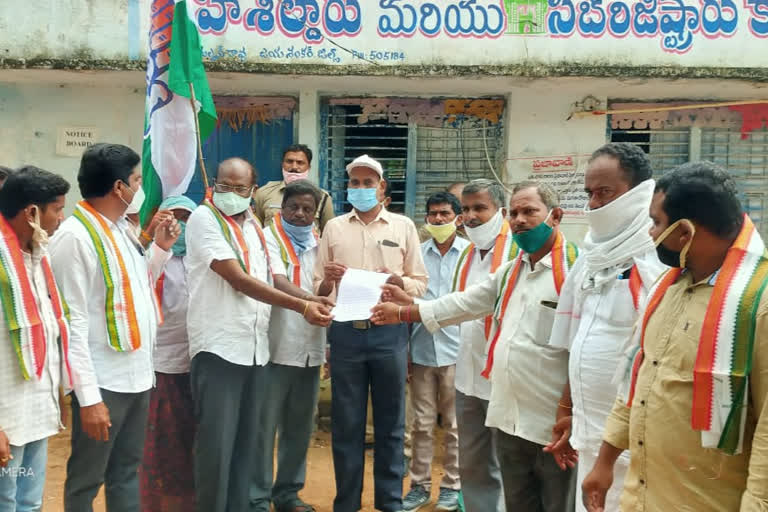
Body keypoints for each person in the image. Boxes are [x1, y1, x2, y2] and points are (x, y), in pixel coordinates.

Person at [374, 181, 580, 512]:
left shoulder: (572, 270)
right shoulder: (509, 269)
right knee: (509, 487)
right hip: (499, 395)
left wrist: (569, 408)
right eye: (516, 213)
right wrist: (404, 309)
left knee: (555, 496)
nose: (520, 220)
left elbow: (580, 348)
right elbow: (461, 304)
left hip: (549, 411)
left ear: (555, 216)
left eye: (529, 212)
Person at [582, 161, 768, 511]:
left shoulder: (758, 302)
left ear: (685, 232)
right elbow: (636, 382)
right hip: (642, 495)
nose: (650, 233)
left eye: (656, 222)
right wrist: (604, 461)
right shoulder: (667, 289)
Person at [186, 158, 332, 512]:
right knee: (217, 447)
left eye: (239, 188)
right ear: (214, 184)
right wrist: (302, 309)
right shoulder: (205, 220)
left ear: (253, 191)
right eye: (224, 186)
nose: (230, 194)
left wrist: (313, 299)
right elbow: (239, 279)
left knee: (246, 446)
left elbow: (275, 277)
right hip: (219, 349)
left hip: (255, 351)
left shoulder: (252, 225)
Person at [50, 143, 181, 512]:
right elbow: (72, 323)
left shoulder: (118, 229)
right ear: (119, 188)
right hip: (104, 381)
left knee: (126, 472)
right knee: (86, 480)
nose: (141, 189)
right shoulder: (75, 239)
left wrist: (161, 248)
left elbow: (135, 288)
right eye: (138, 180)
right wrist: (88, 398)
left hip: (136, 375)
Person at [544, 143, 666, 512]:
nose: (594, 204)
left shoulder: (661, 259)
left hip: (638, 442)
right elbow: (577, 342)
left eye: (605, 193)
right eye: (589, 194)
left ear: (639, 192)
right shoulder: (592, 258)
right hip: (589, 433)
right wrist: (568, 409)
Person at [313, 154, 427, 512]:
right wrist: (328, 280)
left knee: (391, 423)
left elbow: (420, 285)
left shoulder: (403, 226)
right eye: (355, 183)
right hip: (345, 334)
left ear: (382, 188)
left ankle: (389, 502)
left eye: (368, 183)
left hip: (388, 332)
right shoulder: (333, 228)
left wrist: (399, 281)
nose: (361, 189)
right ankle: (346, 503)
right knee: (347, 423)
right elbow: (317, 287)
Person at [434, 178, 516, 512]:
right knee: (473, 461)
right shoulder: (467, 255)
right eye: (465, 209)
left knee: (510, 463)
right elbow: (454, 306)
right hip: (468, 375)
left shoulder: (517, 252)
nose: (470, 216)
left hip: (506, 377)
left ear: (501, 212)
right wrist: (407, 301)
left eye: (479, 208)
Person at [250, 180, 329, 512]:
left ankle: (287, 494)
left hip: (311, 347)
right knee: (263, 427)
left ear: (315, 215)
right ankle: (256, 496)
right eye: (293, 207)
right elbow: (279, 281)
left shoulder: (319, 242)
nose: (299, 214)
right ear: (280, 208)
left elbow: (324, 288)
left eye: (307, 210)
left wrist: (331, 283)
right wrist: (312, 300)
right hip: (275, 346)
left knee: (299, 427)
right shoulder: (266, 239)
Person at [0, 166, 71, 512]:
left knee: (28, 503)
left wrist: (56, 396)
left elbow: (49, 331)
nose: (61, 217)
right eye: (57, 209)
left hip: (35, 411)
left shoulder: (36, 254)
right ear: (32, 212)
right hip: (5, 418)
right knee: (6, 501)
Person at [401, 192, 468, 512]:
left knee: (455, 426)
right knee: (421, 424)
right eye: (432, 214)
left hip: (460, 352)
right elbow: (406, 302)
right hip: (422, 350)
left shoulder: (471, 254)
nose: (438, 220)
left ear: (458, 216)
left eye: (444, 213)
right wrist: (406, 353)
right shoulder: (416, 255)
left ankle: (453, 487)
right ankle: (419, 486)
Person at [140, 195, 197, 512]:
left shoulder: (202, 257)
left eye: (186, 218)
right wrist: (156, 241)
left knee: (190, 439)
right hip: (160, 364)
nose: (180, 224)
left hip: (197, 362)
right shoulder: (152, 257)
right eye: (173, 217)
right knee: (161, 443)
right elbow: (141, 282)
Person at [252, 144, 334, 231]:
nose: (294, 167)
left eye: (300, 163)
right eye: (289, 161)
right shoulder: (264, 193)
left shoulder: (322, 197)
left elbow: (328, 232)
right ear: (282, 164)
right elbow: (256, 228)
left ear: (309, 167)